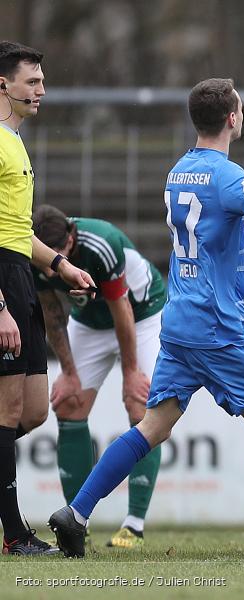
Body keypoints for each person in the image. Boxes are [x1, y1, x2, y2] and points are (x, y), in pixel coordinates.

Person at [48, 77, 244, 559]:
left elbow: (219, 218)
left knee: (152, 426)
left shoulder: (179, 171)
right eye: (241, 109)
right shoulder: (226, 175)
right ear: (233, 119)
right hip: (221, 327)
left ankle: (76, 513)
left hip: (180, 322)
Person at [0, 41, 95, 556]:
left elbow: (17, 230)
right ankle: (15, 535)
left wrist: (61, 265)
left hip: (20, 273)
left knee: (34, 410)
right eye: (31, 82)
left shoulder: (15, 140)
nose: (41, 90)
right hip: (2, 280)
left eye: (41, 81)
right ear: (3, 85)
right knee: (8, 406)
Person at [32, 205, 166, 549]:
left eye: (56, 256)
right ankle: (76, 522)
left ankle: (133, 525)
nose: (49, 266)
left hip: (141, 315)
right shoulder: (35, 254)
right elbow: (51, 313)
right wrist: (69, 373)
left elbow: (122, 308)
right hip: (90, 323)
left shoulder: (101, 242)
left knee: (141, 405)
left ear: (71, 240)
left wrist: (131, 373)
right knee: (69, 403)